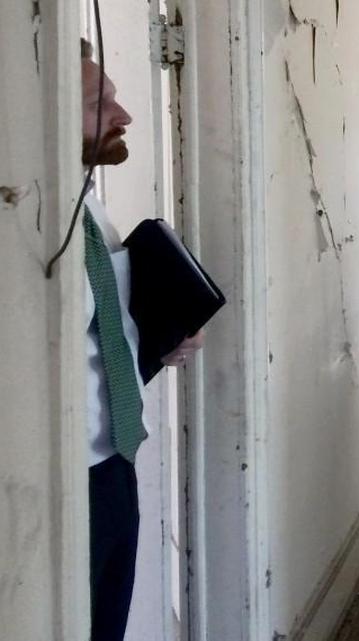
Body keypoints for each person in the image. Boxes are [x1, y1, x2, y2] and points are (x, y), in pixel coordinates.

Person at [81, 38, 204, 641]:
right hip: (64, 476)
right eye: (98, 103)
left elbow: (98, 332)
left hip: (113, 464)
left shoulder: (89, 209)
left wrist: (157, 347)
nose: (123, 114)